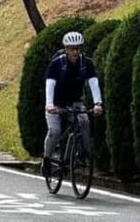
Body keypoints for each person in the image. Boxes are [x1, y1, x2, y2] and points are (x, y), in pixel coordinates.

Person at [42, 31, 103, 174]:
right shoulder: (57, 64)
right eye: (72, 48)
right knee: (55, 131)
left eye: (78, 48)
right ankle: (47, 158)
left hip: (75, 102)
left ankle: (84, 155)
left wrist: (98, 103)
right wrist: (49, 105)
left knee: (84, 122)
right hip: (56, 104)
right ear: (66, 49)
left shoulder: (86, 63)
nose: (75, 52)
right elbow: (50, 85)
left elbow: (94, 83)